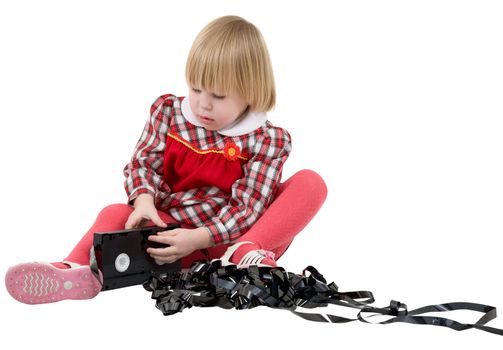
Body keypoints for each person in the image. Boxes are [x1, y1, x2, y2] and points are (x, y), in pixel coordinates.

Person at [5, 15, 327, 305]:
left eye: (219, 96)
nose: (203, 105)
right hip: (169, 236)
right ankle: (75, 270)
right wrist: (144, 200)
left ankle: (244, 256)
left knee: (310, 182)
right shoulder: (170, 112)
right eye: (196, 89)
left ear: (251, 92)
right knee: (116, 212)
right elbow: (143, 162)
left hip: (234, 237)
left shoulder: (268, 139)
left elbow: (248, 207)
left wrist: (204, 238)